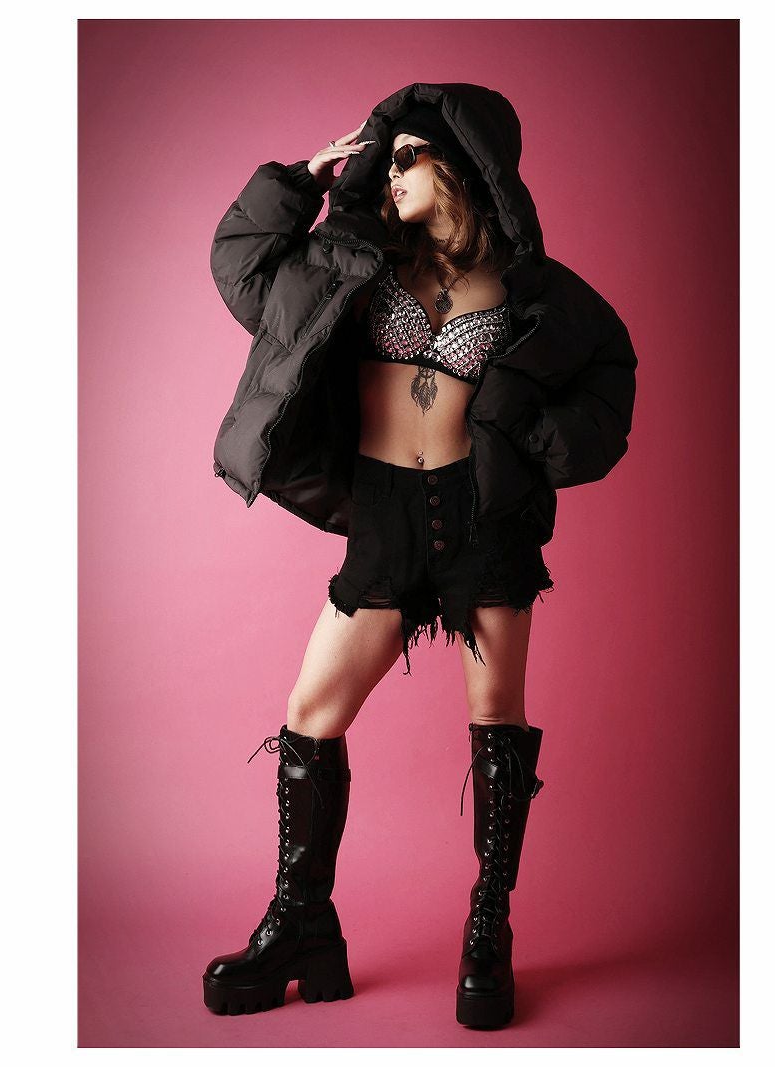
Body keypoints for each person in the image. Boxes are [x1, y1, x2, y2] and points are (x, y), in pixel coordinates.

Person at [202, 83, 637, 1029]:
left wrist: (535, 438)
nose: (387, 173)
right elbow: (239, 269)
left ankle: (489, 926)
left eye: (405, 156)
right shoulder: (356, 260)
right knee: (311, 714)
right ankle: (304, 922)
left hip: (485, 520)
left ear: (456, 165)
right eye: (385, 158)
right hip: (386, 519)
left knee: (497, 721)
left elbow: (612, 375)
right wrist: (304, 180)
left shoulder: (527, 284)